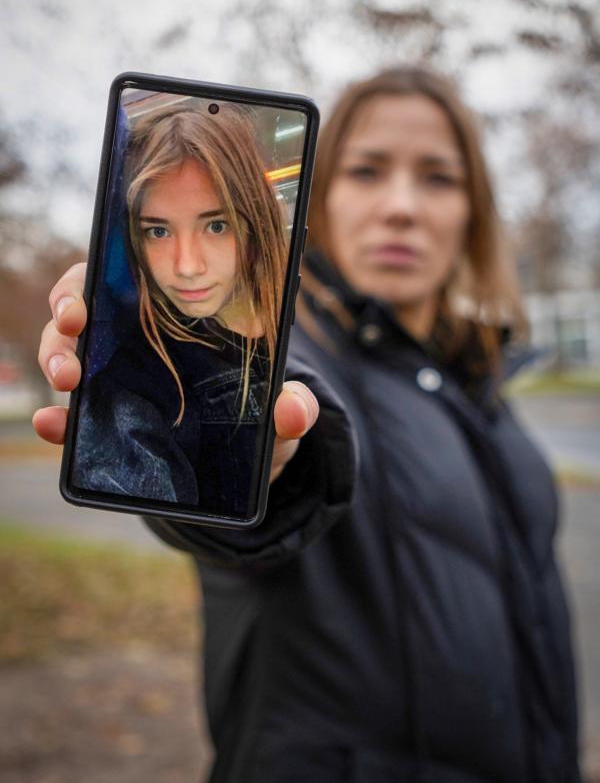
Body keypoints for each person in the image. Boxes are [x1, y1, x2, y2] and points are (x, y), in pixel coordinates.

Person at [34, 67, 581, 783]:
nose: (402, 206)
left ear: (473, 211)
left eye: (438, 178)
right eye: (367, 171)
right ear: (320, 202)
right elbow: (250, 499)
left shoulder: (479, 384)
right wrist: (259, 457)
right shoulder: (293, 356)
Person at [72, 101, 289, 514]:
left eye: (216, 225)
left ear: (256, 223)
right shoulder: (139, 379)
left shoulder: (302, 329)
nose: (187, 266)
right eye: (157, 231)